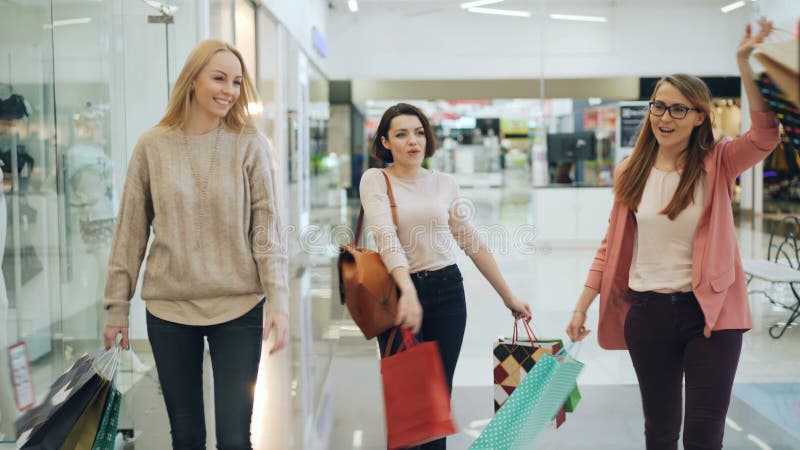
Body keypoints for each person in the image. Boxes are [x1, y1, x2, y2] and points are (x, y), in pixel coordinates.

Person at [566, 19, 780, 450]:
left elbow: (765, 135)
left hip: (712, 317)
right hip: (648, 315)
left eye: (679, 108)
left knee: (704, 436)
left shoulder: (719, 162)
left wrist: (745, 63)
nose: (666, 117)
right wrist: (581, 308)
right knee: (660, 432)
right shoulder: (631, 170)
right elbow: (611, 246)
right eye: (659, 106)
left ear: (700, 116)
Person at [101, 39, 289, 450]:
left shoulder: (249, 143)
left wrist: (278, 299)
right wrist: (117, 306)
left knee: (235, 439)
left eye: (237, 82)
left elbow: (267, 230)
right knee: (186, 436)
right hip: (170, 311)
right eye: (219, 78)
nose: (229, 90)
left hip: (238, 308)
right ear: (192, 81)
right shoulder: (153, 145)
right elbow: (130, 230)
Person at [360, 103, 533, 450]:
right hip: (398, 297)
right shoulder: (376, 179)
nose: (413, 141)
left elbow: (470, 240)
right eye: (402, 134)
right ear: (385, 141)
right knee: (410, 407)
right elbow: (385, 235)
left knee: (438, 401)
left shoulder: (444, 183)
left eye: (419, 132)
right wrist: (407, 289)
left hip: (447, 292)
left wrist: (507, 295)